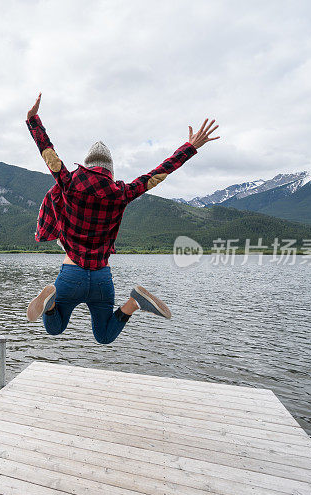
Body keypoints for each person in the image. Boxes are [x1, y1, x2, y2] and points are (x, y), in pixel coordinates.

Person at [25, 93, 220, 344]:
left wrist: (33, 121)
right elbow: (159, 173)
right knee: (104, 335)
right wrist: (190, 147)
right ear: (110, 170)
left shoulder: (70, 182)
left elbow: (48, 154)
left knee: (54, 328)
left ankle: (50, 306)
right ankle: (134, 302)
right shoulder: (121, 193)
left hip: (71, 274)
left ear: (86, 165)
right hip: (101, 278)